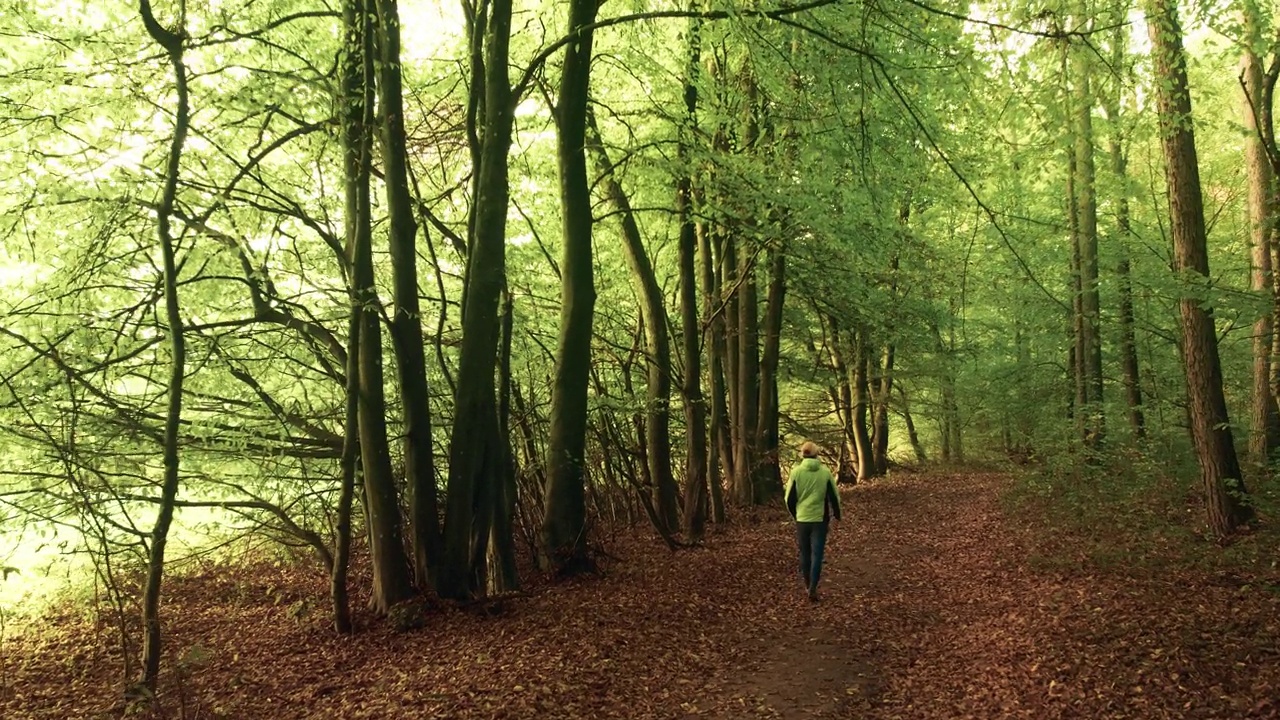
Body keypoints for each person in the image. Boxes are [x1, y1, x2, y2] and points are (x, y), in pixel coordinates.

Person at [784, 441, 842, 602]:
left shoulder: (796, 472)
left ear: (802, 455)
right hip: (820, 519)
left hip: (802, 519)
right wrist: (838, 514)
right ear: (817, 454)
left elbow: (789, 498)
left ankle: (807, 584)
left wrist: (795, 515)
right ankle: (813, 588)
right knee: (817, 554)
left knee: (805, 553)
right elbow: (834, 496)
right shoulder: (825, 472)